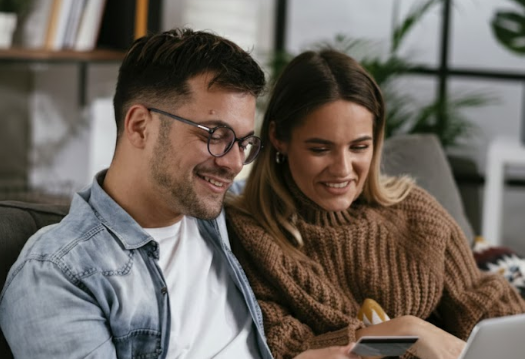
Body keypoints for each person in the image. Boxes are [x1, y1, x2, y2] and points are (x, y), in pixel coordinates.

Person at [0, 29, 360, 359]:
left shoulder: (225, 210)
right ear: (140, 126)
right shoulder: (58, 274)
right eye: (215, 135)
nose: (234, 163)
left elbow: (331, 186)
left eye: (243, 143)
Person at [226, 49, 525, 359]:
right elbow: (291, 350)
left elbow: (484, 306)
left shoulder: (416, 212)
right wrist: (407, 332)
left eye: (359, 147)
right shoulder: (250, 235)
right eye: (320, 149)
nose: (343, 169)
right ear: (278, 137)